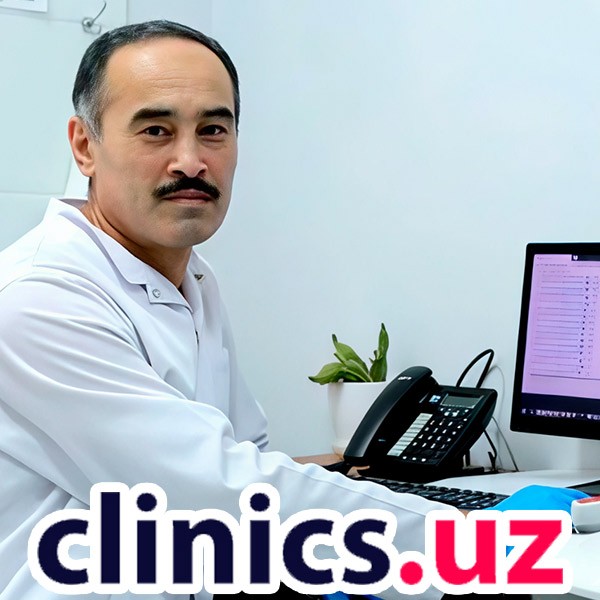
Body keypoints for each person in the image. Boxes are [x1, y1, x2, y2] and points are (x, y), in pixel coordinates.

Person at [0, 20, 583, 600]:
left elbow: (246, 455)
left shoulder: (192, 278)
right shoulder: (39, 298)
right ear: (85, 146)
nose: (190, 161)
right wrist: (465, 538)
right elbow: (217, 491)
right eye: (156, 130)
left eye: (213, 130)